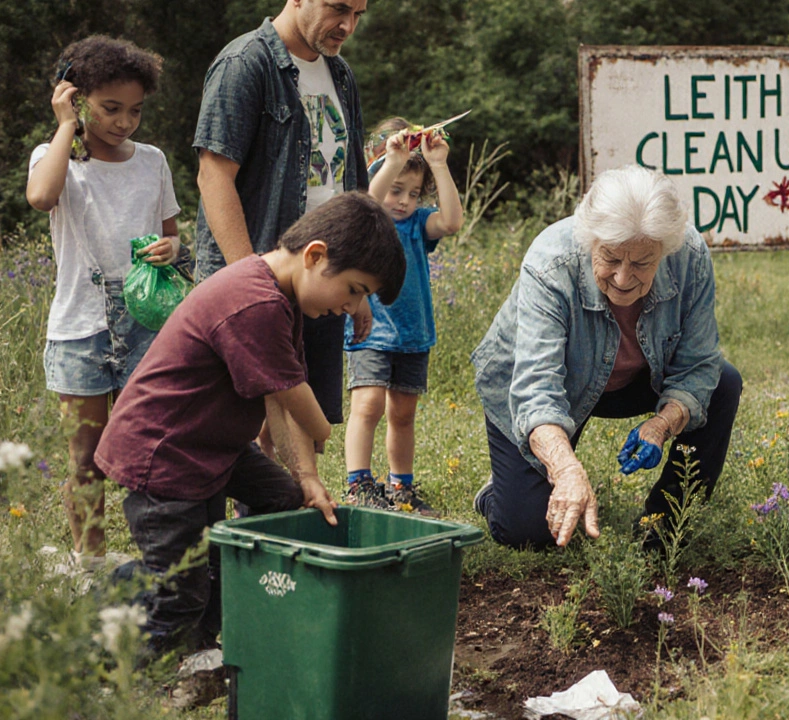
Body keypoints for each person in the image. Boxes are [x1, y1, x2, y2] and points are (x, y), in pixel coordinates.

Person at [94, 193, 405, 654]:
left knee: (281, 499)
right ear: (316, 255)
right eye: (355, 290)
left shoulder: (281, 294)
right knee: (179, 592)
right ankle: (119, 661)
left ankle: (206, 626)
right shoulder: (253, 302)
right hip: (163, 451)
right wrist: (324, 432)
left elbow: (279, 393)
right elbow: (295, 399)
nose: (351, 307)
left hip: (208, 443)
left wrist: (308, 477)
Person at [471, 165, 742, 549]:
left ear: (664, 251)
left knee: (723, 382)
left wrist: (662, 425)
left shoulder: (689, 254)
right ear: (590, 241)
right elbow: (536, 389)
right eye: (611, 258)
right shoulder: (551, 263)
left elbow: (697, 365)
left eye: (642, 262)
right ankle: (496, 492)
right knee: (529, 533)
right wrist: (565, 469)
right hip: (550, 385)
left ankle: (664, 521)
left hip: (637, 377)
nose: (623, 277)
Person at [25, 36, 180, 568]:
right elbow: (42, 197)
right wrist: (66, 124)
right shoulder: (55, 157)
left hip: (144, 323)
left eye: (135, 111)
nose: (124, 122)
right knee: (84, 460)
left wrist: (172, 248)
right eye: (110, 108)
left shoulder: (153, 162)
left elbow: (173, 236)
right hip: (80, 327)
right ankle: (89, 563)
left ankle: (155, 560)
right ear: (75, 96)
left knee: (148, 451)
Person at [193, 0, 373, 437]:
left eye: (358, 15)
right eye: (338, 9)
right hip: (259, 277)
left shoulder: (340, 74)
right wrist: (249, 286)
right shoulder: (244, 63)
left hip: (322, 280)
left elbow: (350, 186)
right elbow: (213, 176)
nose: (347, 26)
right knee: (249, 435)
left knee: (306, 429)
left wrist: (357, 282)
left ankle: (302, 506)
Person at [342, 118, 462, 512]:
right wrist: (392, 160)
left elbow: (452, 222)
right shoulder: (368, 222)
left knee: (403, 414)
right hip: (371, 331)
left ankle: (400, 487)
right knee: (368, 405)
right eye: (396, 190)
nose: (403, 201)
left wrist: (438, 164)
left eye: (412, 193)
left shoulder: (416, 225)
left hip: (413, 334)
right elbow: (366, 202)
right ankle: (359, 483)